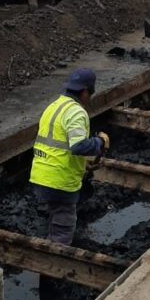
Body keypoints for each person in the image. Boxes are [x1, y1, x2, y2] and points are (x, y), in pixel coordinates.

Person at [28, 68, 110, 245]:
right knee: (64, 225)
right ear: (85, 91)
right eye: (91, 93)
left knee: (56, 215)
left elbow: (58, 145)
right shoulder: (76, 112)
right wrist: (100, 142)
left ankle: (49, 243)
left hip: (41, 175)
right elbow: (78, 146)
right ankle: (55, 261)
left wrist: (82, 165)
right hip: (60, 180)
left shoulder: (54, 106)